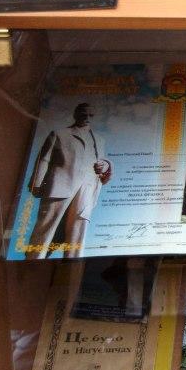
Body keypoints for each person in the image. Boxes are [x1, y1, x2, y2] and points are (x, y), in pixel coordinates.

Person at [26, 103, 113, 259]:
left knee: (78, 232)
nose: (87, 118)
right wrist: (36, 183)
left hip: (87, 189)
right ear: (76, 114)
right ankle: (33, 260)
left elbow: (101, 160)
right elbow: (44, 159)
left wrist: (105, 165)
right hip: (60, 186)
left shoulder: (99, 140)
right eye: (84, 114)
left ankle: (72, 263)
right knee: (45, 228)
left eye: (91, 115)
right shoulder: (60, 134)